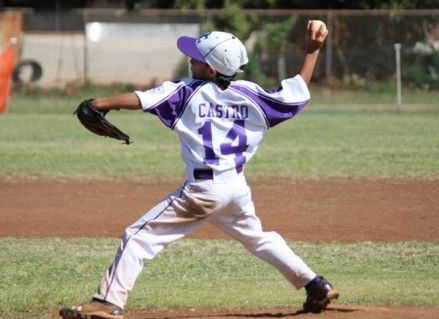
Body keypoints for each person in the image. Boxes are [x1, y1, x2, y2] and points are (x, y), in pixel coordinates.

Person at [59, 19, 337, 319]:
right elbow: (296, 94)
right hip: (236, 189)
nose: (191, 60)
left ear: (212, 70)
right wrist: (312, 51)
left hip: (202, 191)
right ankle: (315, 285)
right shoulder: (253, 96)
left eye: (198, 58)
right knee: (258, 238)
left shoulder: (188, 92)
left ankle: (107, 303)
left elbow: (142, 99)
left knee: (137, 237)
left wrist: (101, 103)